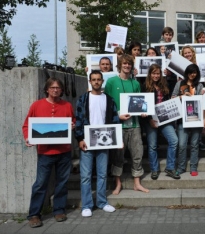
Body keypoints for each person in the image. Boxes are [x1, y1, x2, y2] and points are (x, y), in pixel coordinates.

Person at [22, 78, 75, 228]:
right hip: (45, 152)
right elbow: (27, 124)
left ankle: (59, 210)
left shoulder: (67, 105)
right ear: (47, 89)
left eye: (58, 88)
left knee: (62, 183)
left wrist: (72, 125)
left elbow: (74, 120)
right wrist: (28, 137)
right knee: (40, 184)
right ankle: (34, 214)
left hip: (64, 151)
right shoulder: (37, 105)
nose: (55, 90)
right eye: (52, 87)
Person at [75, 71, 128, 217]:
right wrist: (79, 139)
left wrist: (118, 139)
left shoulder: (109, 100)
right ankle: (86, 205)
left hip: (104, 143)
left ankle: (102, 202)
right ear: (89, 81)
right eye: (94, 80)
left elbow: (115, 121)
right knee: (86, 175)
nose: (96, 82)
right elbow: (78, 119)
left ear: (102, 81)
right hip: (87, 141)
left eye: (99, 80)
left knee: (102, 174)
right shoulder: (83, 99)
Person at [104, 54, 149, 195]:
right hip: (118, 125)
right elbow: (106, 104)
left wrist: (143, 111)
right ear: (119, 65)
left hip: (134, 124)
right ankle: (118, 184)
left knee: (137, 153)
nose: (127, 66)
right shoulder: (111, 82)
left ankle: (137, 183)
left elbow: (139, 102)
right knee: (118, 156)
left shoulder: (135, 84)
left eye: (129, 64)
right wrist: (117, 115)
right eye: (124, 64)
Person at [142, 64, 180, 180]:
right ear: (150, 74)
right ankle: (154, 169)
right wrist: (149, 120)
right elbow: (143, 104)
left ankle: (170, 167)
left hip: (164, 118)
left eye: (158, 73)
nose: (156, 75)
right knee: (152, 145)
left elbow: (169, 100)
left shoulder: (165, 85)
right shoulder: (144, 86)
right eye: (153, 73)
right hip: (151, 119)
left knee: (174, 140)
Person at [172, 64, 205, 176]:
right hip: (182, 119)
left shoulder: (200, 86)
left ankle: (193, 167)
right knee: (182, 144)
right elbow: (172, 98)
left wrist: (204, 118)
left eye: (194, 72)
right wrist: (181, 96)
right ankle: (181, 167)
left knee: (194, 144)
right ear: (186, 72)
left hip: (196, 118)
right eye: (190, 72)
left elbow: (203, 103)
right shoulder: (179, 83)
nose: (192, 74)